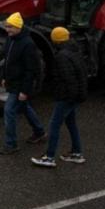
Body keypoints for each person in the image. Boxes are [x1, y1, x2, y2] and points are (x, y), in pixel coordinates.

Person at [31, 27, 88, 168]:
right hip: (75, 95)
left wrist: (66, 97)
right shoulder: (75, 51)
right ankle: (76, 153)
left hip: (66, 97)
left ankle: (49, 157)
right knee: (71, 124)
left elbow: (67, 80)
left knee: (54, 125)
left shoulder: (61, 57)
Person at [0, 12, 46, 155]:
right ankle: (39, 132)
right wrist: (4, 77)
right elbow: (8, 61)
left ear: (18, 27)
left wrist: (25, 91)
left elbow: (30, 70)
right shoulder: (11, 39)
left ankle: (11, 144)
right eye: (7, 27)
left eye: (10, 27)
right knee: (24, 107)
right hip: (12, 82)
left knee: (9, 110)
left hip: (20, 84)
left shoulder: (28, 44)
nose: (7, 30)